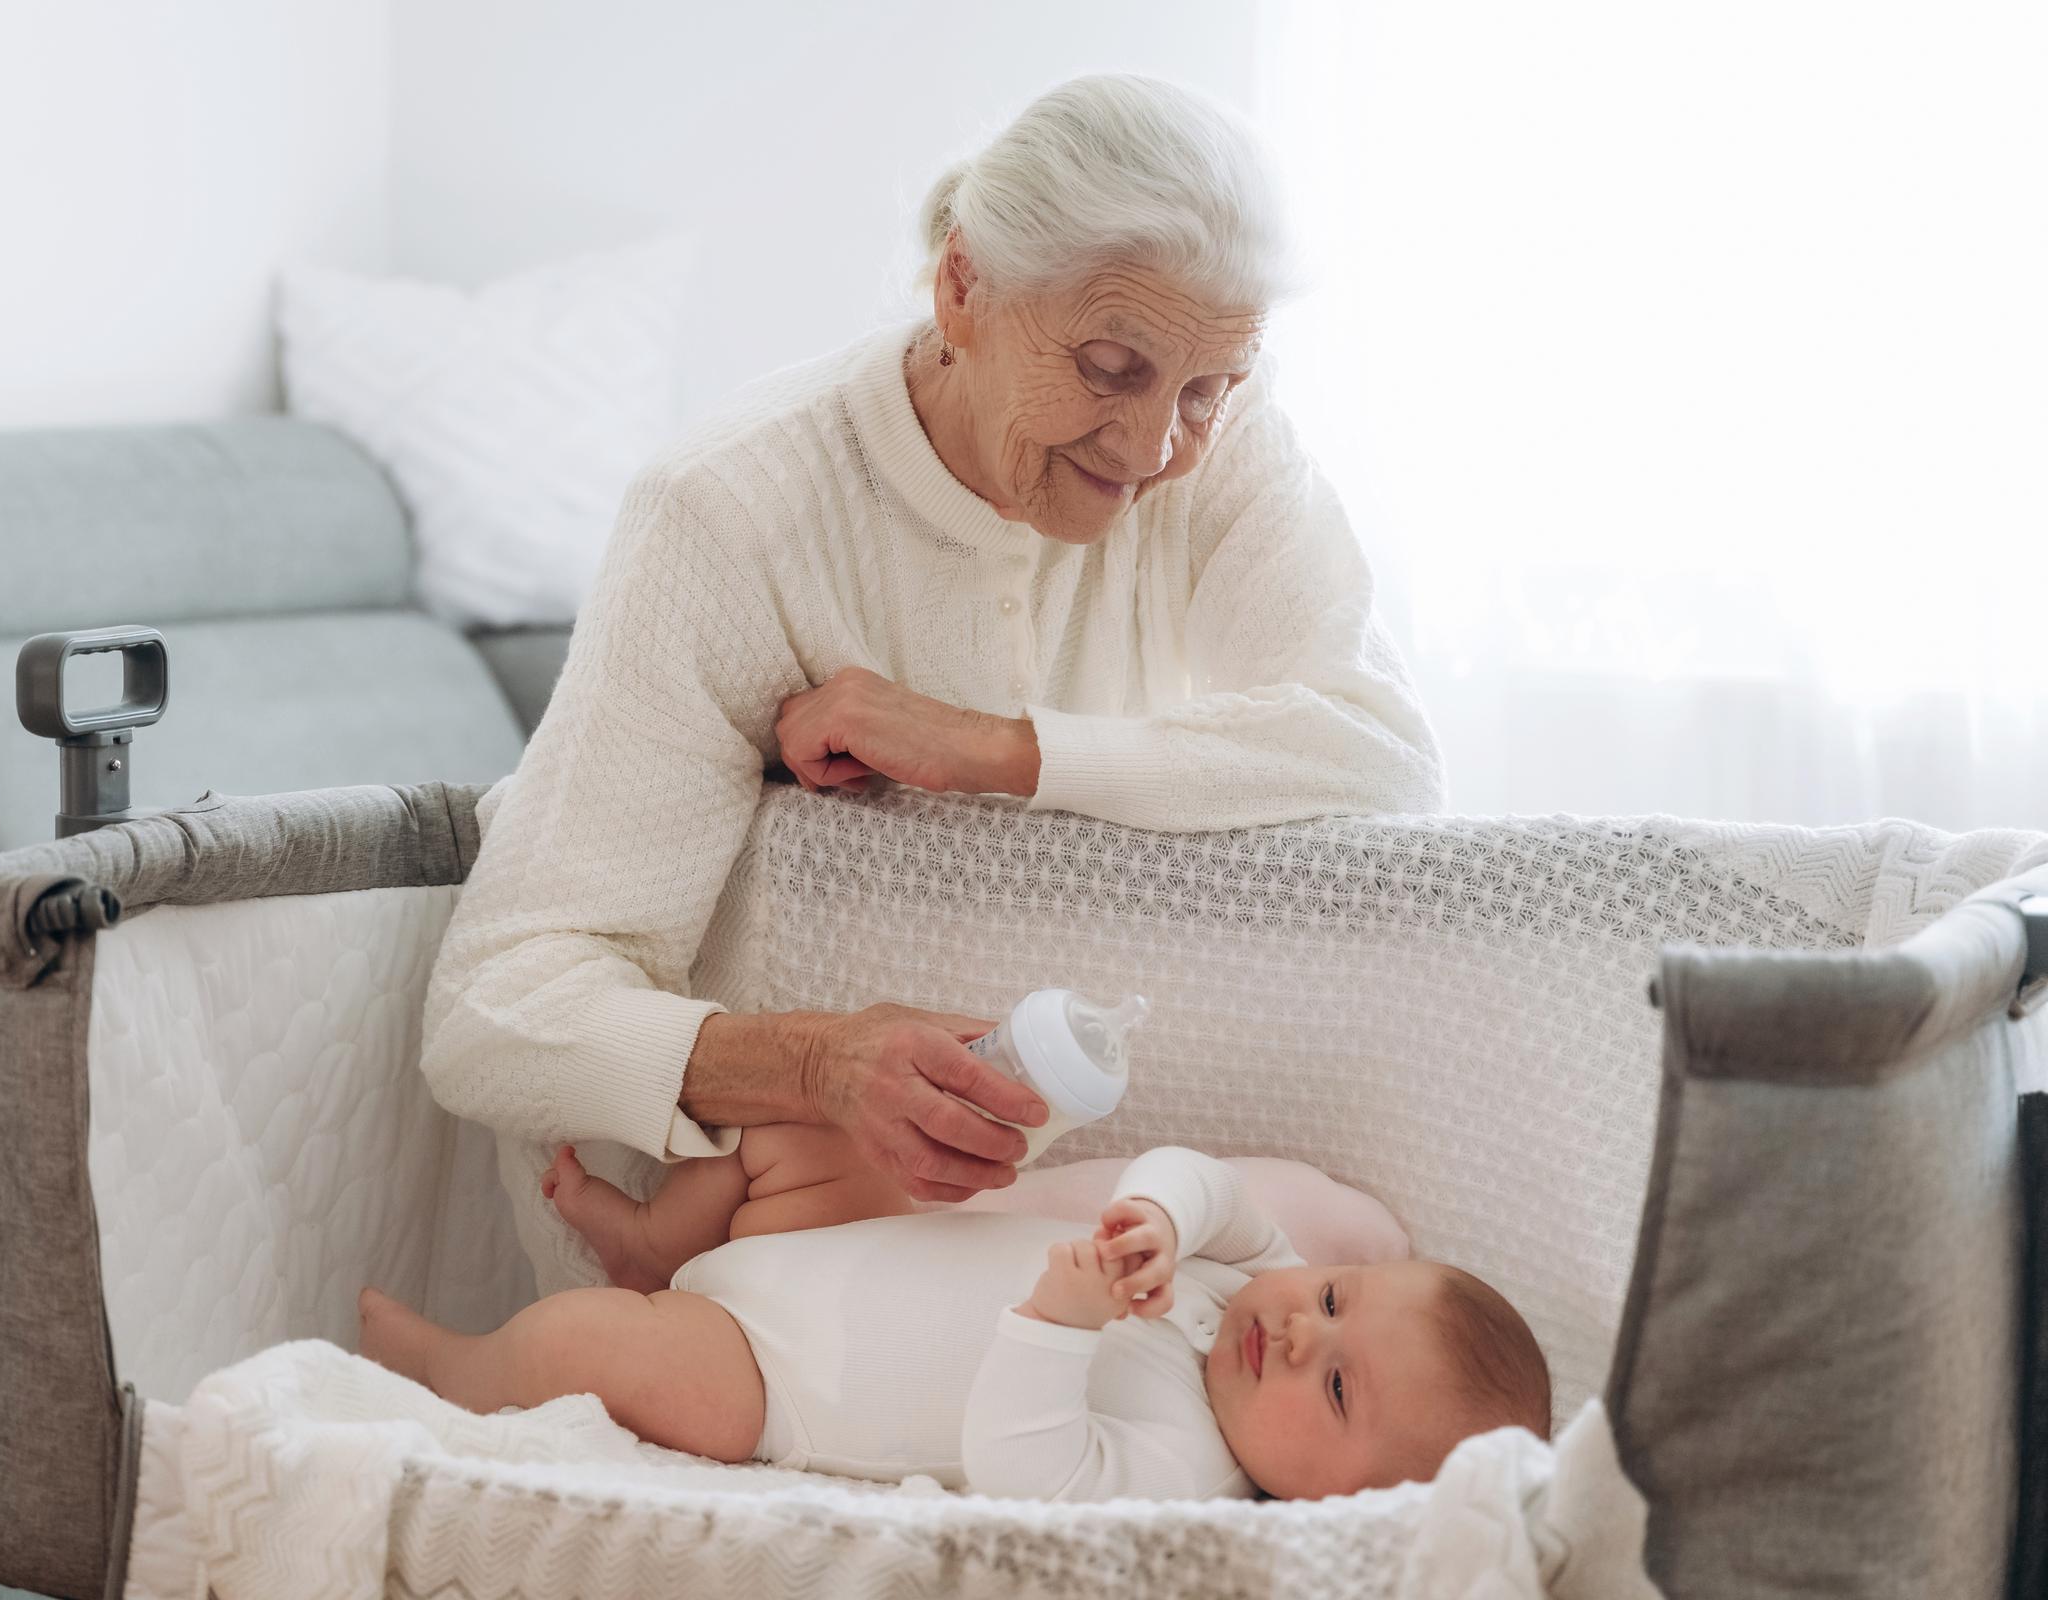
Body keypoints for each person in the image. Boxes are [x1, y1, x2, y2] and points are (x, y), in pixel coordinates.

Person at [419, 74, 1447, 1274]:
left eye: (1210, 391)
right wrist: (819, 1063)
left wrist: (997, 747)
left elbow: (1387, 758)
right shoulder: (732, 515)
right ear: (965, 288)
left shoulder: (1216, 450)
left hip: (1057, 1243)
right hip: (733, 1262)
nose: (1155, 446)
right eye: (1111, 366)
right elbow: (493, 1007)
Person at [357, 1130, 1549, 1501]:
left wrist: (1062, 1321)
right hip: (818, 1252)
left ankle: (457, 1365)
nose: (1301, 1330)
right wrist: (1165, 1220)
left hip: (773, 1378)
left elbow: (1026, 1466)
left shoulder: (1188, 1477)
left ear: (1336, 1506)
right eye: (1336, 1301)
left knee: (591, 1348)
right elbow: (1208, 1176)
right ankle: (655, 1244)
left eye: (1336, 1387)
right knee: (804, 1144)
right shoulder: (1249, 1283)